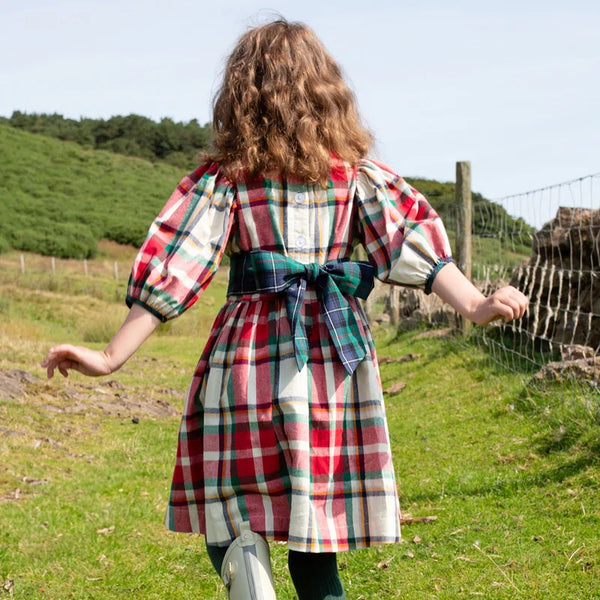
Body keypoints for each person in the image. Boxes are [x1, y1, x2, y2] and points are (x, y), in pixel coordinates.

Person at [42, 18, 528, 600]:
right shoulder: (360, 180)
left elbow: (180, 259)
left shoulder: (226, 181)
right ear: (328, 93)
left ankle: (248, 575)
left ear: (242, 95)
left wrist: (108, 355)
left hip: (247, 360)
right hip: (330, 361)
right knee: (314, 534)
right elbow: (410, 244)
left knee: (231, 513)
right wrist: (476, 304)